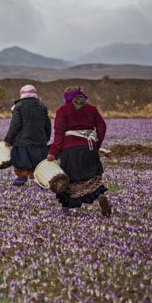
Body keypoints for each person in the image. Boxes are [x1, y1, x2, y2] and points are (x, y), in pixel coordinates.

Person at [47, 87, 111, 217]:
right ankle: (100, 195)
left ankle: (66, 208)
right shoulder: (92, 109)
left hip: (70, 152)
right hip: (89, 149)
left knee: (68, 180)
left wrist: (52, 152)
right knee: (92, 178)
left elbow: (59, 135)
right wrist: (96, 145)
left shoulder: (62, 111)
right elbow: (102, 127)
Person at [4, 84, 51, 186]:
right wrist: (46, 137)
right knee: (38, 164)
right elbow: (47, 125)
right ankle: (39, 180)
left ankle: (21, 177)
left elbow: (15, 124)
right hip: (39, 141)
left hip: (23, 142)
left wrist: (9, 139)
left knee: (21, 162)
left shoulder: (19, 106)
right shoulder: (42, 106)